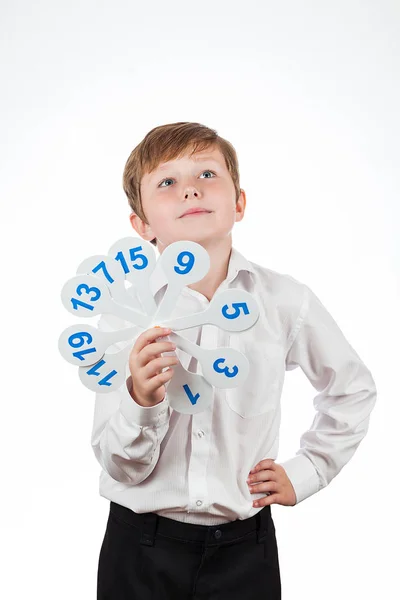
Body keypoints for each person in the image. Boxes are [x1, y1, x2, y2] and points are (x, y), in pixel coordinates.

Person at [92, 121, 377, 599]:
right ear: (141, 225)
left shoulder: (284, 301)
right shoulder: (126, 314)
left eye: (207, 174)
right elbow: (122, 467)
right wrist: (140, 398)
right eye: (167, 182)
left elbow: (352, 389)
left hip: (245, 553)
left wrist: (309, 469)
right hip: (139, 548)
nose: (190, 191)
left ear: (239, 202)